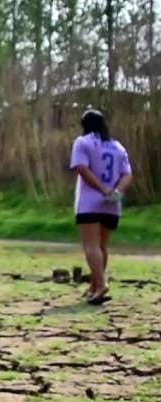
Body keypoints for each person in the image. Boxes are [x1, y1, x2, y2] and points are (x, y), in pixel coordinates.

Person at [69, 109, 132, 305]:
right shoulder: (118, 146)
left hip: (90, 202)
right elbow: (127, 174)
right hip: (112, 205)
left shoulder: (83, 142)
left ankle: (102, 283)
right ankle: (95, 285)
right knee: (102, 246)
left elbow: (81, 168)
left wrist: (102, 189)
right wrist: (116, 191)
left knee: (91, 245)